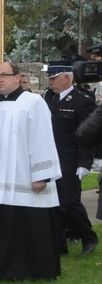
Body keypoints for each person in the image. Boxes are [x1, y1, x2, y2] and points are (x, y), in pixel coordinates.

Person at [0, 61, 62, 281]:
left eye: (4, 75)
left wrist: (41, 175)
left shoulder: (33, 102)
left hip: (23, 177)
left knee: (22, 224)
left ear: (17, 77)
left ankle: (27, 271)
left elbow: (42, 138)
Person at [43, 61, 98, 257]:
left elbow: (86, 135)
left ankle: (88, 237)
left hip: (70, 159)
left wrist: (84, 163)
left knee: (69, 202)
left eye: (53, 78)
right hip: (51, 158)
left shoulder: (82, 101)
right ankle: (59, 245)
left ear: (67, 78)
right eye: (49, 78)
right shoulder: (49, 97)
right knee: (54, 204)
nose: (49, 82)